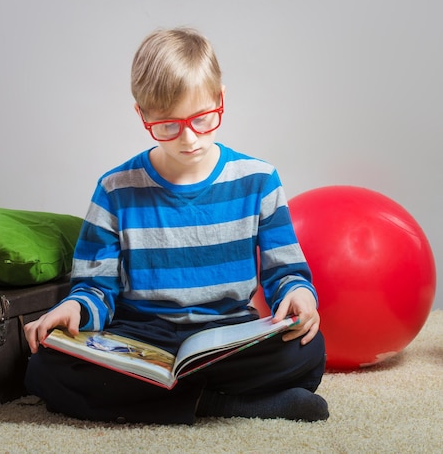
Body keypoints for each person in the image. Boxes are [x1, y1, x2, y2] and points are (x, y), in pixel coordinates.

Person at [24, 27, 328, 425]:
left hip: (228, 336)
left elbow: (285, 272)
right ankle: (225, 406)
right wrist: (75, 307)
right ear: (142, 114)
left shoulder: (259, 180)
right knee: (45, 369)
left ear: (221, 99)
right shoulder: (115, 189)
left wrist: (299, 295)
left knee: (309, 350)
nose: (189, 139)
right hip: (139, 337)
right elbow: (96, 286)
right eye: (168, 125)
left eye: (203, 118)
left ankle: (174, 401)